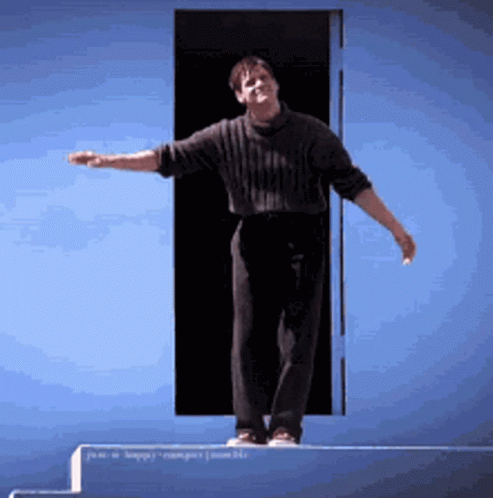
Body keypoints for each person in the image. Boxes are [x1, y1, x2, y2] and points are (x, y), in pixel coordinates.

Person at [68, 56, 416, 447]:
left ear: (276, 85)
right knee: (248, 333)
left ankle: (285, 428)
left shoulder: (312, 133)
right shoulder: (225, 135)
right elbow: (167, 158)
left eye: (264, 77)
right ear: (239, 96)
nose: (259, 84)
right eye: (249, 82)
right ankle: (248, 427)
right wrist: (109, 161)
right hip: (253, 236)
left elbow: (353, 184)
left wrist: (396, 230)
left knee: (298, 334)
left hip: (303, 237)